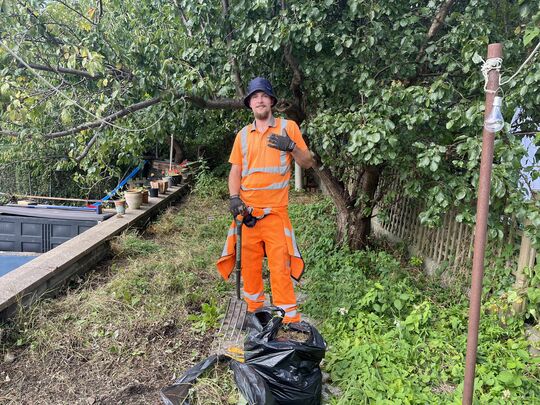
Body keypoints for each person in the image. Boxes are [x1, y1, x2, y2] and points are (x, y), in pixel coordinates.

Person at [217, 77, 314, 323]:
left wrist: (291, 146)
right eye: (254, 97)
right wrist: (234, 199)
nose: (259, 100)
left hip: (275, 214)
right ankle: (254, 314)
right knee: (249, 268)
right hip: (247, 215)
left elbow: (308, 162)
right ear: (250, 103)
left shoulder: (288, 128)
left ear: (271, 101)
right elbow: (235, 171)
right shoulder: (243, 135)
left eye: (263, 96)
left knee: (280, 269)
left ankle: (287, 319)